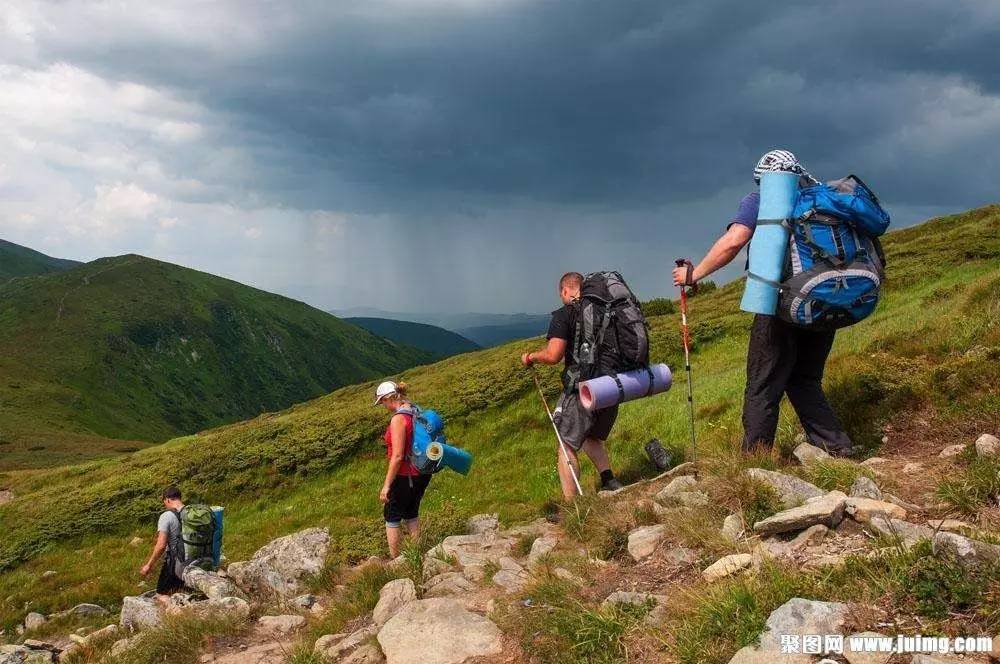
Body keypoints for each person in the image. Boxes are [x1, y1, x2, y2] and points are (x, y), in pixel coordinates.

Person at [672, 149, 853, 457]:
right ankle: (836, 448)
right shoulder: (823, 199)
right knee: (804, 378)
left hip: (781, 304)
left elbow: (735, 240)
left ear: (765, 179)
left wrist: (694, 274)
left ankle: (755, 462)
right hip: (824, 299)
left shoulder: (764, 200)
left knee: (762, 383)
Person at [521, 272, 624, 500]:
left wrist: (530, 358)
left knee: (565, 444)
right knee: (590, 436)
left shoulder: (565, 314)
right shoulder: (604, 309)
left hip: (582, 388)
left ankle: (573, 508)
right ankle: (609, 481)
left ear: (565, 291)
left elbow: (553, 354)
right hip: (610, 386)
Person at [374, 380, 431, 558]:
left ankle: (396, 560)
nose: (382, 405)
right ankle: (418, 555)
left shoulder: (398, 419)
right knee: (411, 512)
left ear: (388, 398)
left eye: (382, 401)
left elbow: (398, 456)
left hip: (404, 474)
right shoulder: (414, 409)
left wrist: (386, 485)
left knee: (392, 516)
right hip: (422, 472)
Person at [139, 485, 186, 601]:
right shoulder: (191, 513)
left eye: (164, 502)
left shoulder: (166, 516)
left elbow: (161, 546)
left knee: (161, 595)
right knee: (180, 592)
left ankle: (175, 614)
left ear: (168, 499)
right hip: (196, 559)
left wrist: (149, 565)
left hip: (176, 563)